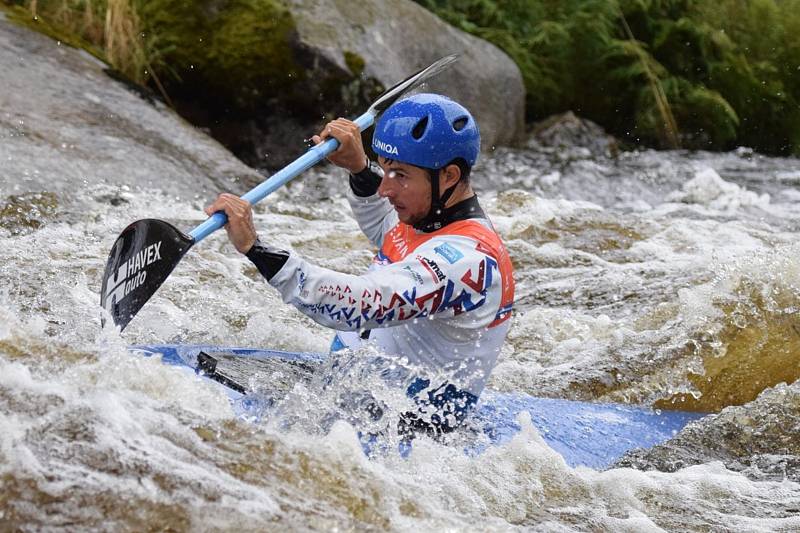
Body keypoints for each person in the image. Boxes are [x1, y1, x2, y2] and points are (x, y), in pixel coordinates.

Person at [205, 93, 515, 439]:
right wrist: (357, 165)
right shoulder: (429, 217)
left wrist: (255, 248)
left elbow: (362, 304)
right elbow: (388, 229)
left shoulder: (467, 260)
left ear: (449, 176)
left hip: (410, 428)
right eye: (384, 169)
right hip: (356, 394)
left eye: (399, 175)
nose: (385, 188)